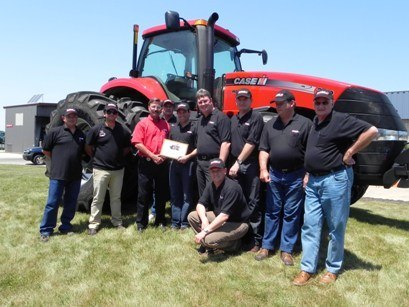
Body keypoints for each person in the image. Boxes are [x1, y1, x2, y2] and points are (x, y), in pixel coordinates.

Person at [293, 88, 378, 285]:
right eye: (318, 102)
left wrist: (350, 152)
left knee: (335, 227)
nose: (320, 105)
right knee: (310, 225)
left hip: (335, 179)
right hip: (314, 181)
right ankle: (307, 269)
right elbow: (315, 152)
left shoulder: (340, 120)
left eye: (325, 102)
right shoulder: (315, 122)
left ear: (332, 103)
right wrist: (308, 172)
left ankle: (332, 269)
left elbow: (372, 131)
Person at [256, 90, 312, 265]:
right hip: (274, 173)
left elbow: (311, 152)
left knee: (291, 213)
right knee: (272, 211)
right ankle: (267, 246)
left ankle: (286, 250)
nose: (277, 106)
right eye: (276, 103)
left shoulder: (305, 124)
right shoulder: (270, 124)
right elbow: (264, 149)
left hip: (296, 175)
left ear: (292, 103)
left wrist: (308, 174)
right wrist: (263, 169)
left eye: (281, 103)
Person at [39, 108, 86, 242]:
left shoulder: (81, 134)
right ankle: (46, 230)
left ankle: (66, 226)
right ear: (63, 118)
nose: (72, 118)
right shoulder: (55, 132)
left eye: (74, 116)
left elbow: (82, 152)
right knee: (52, 203)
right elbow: (46, 150)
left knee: (71, 203)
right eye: (69, 116)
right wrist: (59, 160)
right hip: (58, 174)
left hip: (75, 175)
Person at [86, 103, 131, 235]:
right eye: (109, 112)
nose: (112, 114)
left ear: (117, 114)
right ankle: (94, 224)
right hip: (101, 169)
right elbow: (88, 146)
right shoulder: (96, 129)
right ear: (104, 113)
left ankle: (117, 221)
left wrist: (117, 158)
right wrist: (97, 158)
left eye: (114, 112)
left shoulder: (122, 130)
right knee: (98, 198)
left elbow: (127, 148)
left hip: (118, 170)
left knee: (116, 198)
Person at [188, 158, 251, 253]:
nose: (215, 173)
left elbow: (224, 216)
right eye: (212, 171)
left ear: (225, 171)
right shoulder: (211, 185)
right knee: (192, 216)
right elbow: (200, 204)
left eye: (218, 170)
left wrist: (205, 231)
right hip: (220, 217)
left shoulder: (232, 187)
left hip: (238, 223)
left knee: (208, 239)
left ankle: (234, 244)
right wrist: (204, 220)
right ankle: (208, 243)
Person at [228, 88, 264, 252]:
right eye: (239, 99)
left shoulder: (256, 117)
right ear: (236, 101)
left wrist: (238, 162)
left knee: (252, 201)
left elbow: (252, 142)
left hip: (249, 165)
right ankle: (241, 237)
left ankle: (256, 241)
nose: (242, 101)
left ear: (251, 100)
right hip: (235, 164)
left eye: (245, 99)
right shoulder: (233, 119)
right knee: (238, 201)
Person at [132, 98, 170, 232]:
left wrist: (164, 155)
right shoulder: (142, 124)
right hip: (147, 163)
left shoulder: (166, 125)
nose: (156, 109)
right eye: (153, 107)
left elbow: (169, 143)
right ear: (149, 107)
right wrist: (153, 156)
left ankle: (160, 221)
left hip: (162, 163)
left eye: (158, 107)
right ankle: (141, 223)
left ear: (161, 109)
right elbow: (137, 143)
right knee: (143, 193)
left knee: (161, 193)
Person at [196, 88, 231, 196]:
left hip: (213, 163)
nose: (203, 104)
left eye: (205, 101)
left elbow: (226, 143)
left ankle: (215, 213)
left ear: (211, 100)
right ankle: (204, 212)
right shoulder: (200, 120)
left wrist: (219, 164)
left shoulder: (221, 117)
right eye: (200, 102)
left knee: (214, 194)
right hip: (200, 163)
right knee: (203, 195)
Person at [169, 103, 197, 230]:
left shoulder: (194, 128)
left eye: (183, 112)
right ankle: (175, 222)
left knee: (187, 195)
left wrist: (187, 157)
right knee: (175, 194)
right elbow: (169, 146)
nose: (181, 114)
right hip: (174, 165)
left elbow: (198, 148)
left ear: (188, 113)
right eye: (179, 112)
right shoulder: (173, 128)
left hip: (188, 164)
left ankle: (184, 223)